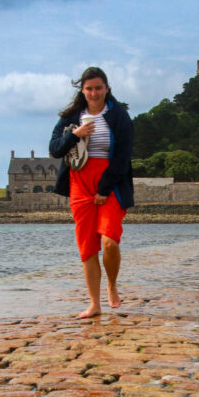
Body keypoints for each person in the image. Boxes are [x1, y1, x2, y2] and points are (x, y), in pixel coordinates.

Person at [49, 66, 134, 319]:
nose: (94, 93)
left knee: (109, 240)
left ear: (107, 88)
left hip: (112, 182)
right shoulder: (70, 117)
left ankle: (112, 284)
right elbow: (54, 149)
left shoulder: (119, 116)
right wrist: (75, 135)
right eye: (89, 88)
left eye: (98, 88)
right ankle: (94, 304)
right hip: (79, 182)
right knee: (87, 247)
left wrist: (105, 188)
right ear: (82, 90)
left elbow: (123, 158)